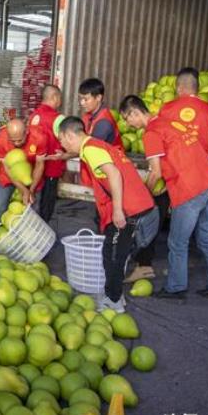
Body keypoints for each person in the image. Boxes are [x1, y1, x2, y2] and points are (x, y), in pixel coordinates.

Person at [122, 95, 208, 301]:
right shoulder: (169, 121)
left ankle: (176, 288)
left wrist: (144, 196)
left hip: (190, 188)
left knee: (177, 242)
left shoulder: (151, 133)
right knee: (206, 236)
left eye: (128, 118)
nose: (128, 124)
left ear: (136, 112)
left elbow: (155, 173)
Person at [56, 116, 158, 312]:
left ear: (69, 135)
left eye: (61, 140)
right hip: (136, 204)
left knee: (113, 255)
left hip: (130, 208)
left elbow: (114, 174)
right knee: (112, 252)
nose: (62, 145)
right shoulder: (97, 145)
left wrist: (118, 210)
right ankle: (116, 295)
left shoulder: (91, 149)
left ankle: (113, 301)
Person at [0, 118, 48, 229]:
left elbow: (39, 165)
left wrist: (31, 190)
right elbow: (8, 169)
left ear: (26, 131)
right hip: (8, 176)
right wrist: (23, 190)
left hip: (32, 175)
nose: (16, 143)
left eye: (20, 140)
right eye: (13, 141)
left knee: (33, 208)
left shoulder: (39, 137)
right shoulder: (1, 140)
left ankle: (33, 239)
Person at [159, 67, 208, 156]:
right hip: (199, 167)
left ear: (178, 88)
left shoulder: (165, 109)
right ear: (198, 88)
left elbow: (159, 144)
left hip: (172, 167)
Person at [28, 84, 66, 223]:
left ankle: (31, 226)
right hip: (51, 168)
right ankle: (43, 230)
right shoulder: (59, 119)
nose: (60, 102)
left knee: (33, 199)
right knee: (47, 203)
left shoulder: (33, 116)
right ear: (54, 97)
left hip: (34, 167)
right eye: (59, 98)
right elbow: (67, 143)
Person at [78, 78, 121, 147]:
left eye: (86, 99)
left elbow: (91, 148)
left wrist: (68, 155)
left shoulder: (104, 123)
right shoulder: (88, 115)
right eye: (81, 99)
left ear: (98, 97)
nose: (82, 103)